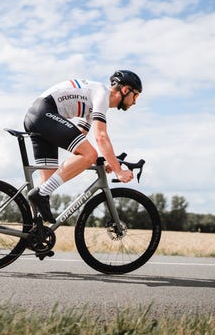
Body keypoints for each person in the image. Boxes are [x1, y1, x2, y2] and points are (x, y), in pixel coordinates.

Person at [24, 70, 142, 223]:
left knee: (48, 184)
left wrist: (105, 160)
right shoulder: (102, 94)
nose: (135, 102)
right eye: (136, 95)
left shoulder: (94, 102)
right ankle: (41, 194)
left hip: (39, 116)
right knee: (45, 190)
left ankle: (36, 234)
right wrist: (118, 171)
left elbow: (79, 136)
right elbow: (100, 137)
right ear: (126, 90)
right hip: (44, 114)